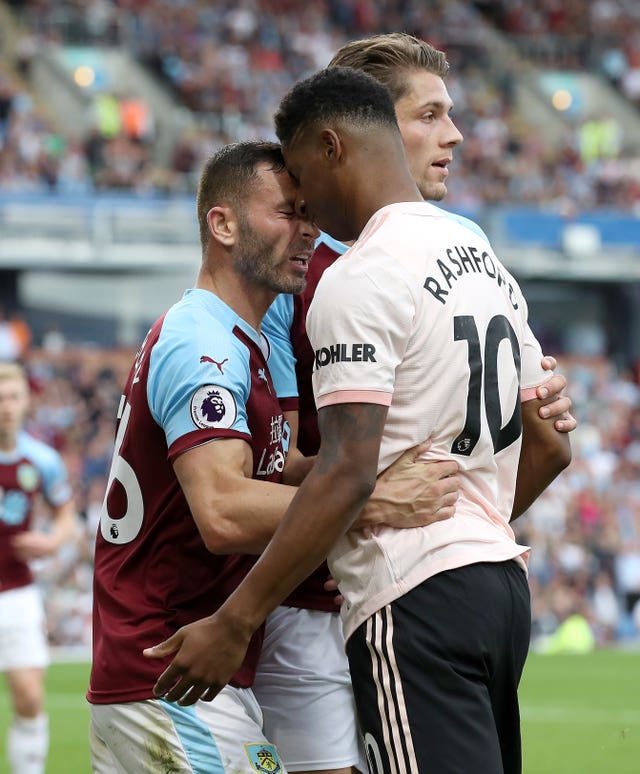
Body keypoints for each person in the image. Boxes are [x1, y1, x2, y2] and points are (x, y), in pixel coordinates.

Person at [145, 67, 573, 774]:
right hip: (498, 578)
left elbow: (345, 473)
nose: (304, 205)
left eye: (300, 178)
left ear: (331, 147)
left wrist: (236, 619)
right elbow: (552, 442)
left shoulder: (357, 275)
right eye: (430, 114)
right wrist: (468, 525)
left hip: (408, 593)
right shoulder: (477, 250)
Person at [87, 140, 456, 773]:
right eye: (287, 213)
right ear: (222, 224)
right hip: (168, 668)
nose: (308, 231)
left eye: (310, 213)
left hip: (184, 674)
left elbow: (271, 472)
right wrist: (371, 500)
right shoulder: (202, 343)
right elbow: (225, 511)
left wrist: (369, 471)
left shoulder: (242, 339)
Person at [0, 361, 77, 774]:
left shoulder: (42, 460)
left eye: (12, 398)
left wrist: (50, 540)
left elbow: (65, 514)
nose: (5, 407)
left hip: (15, 591)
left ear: (25, 402)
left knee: (29, 696)